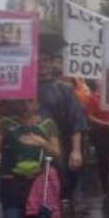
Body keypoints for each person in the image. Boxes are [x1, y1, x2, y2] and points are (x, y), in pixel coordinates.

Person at [36, 39, 87, 204]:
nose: (41, 64)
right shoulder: (25, 88)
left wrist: (76, 150)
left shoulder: (64, 90)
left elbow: (76, 120)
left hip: (60, 147)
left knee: (60, 189)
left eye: (45, 60)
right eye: (37, 60)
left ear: (52, 64)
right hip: (31, 148)